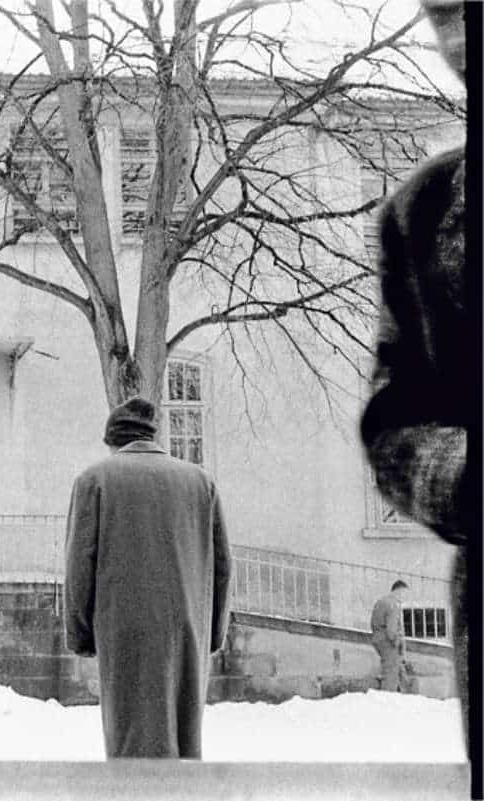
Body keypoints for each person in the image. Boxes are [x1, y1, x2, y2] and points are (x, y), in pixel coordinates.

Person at [359, 0, 474, 766]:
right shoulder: (424, 211)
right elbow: (394, 421)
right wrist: (460, 474)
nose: (459, 37)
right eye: (441, 13)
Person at [63, 397, 231, 759]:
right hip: (187, 629)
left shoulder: (94, 481)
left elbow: (79, 567)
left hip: (124, 630)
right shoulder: (201, 482)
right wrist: (212, 634)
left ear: (113, 441)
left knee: (131, 744)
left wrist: (80, 635)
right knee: (184, 743)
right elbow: (222, 568)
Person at [371, 580, 410, 692]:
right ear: (399, 591)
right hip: (388, 642)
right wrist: (397, 642)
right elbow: (391, 630)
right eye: (405, 594)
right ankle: (388, 701)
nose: (405, 598)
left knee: (396, 671)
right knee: (390, 677)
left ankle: (403, 696)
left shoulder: (382, 601)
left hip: (379, 639)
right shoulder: (393, 604)